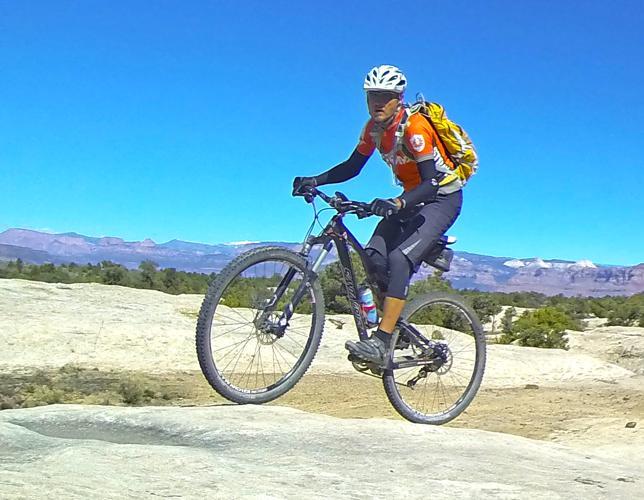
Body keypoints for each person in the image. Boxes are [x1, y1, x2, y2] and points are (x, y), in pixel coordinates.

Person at [292, 64, 463, 365]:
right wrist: (315, 180)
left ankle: (382, 342)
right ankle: (395, 326)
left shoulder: (415, 128)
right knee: (373, 256)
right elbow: (352, 166)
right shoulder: (373, 129)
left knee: (398, 259)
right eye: (372, 96)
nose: (378, 103)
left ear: (399, 99)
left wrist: (397, 203)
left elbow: (431, 182)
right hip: (409, 199)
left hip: (441, 199)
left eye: (386, 96)